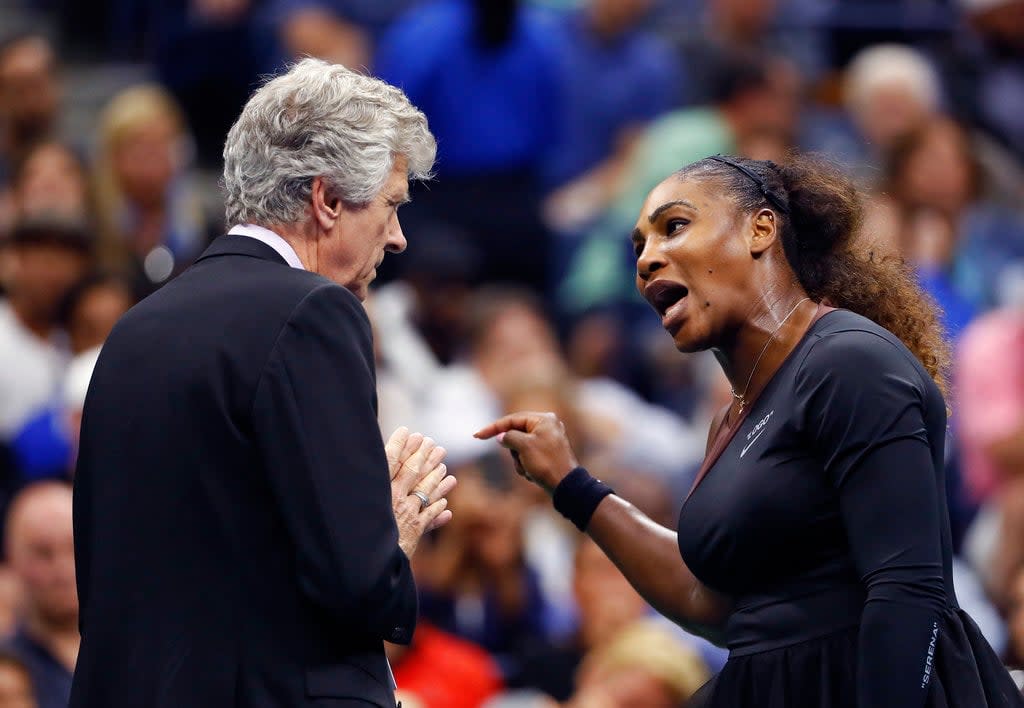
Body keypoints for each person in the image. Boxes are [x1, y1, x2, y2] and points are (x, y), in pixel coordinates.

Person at [477, 154, 1024, 707]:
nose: (646, 260)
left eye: (674, 226)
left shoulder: (848, 361)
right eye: (638, 245)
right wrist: (570, 484)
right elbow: (710, 603)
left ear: (761, 229)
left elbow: (907, 589)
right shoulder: (730, 419)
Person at [71, 58, 456, 708]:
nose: (397, 238)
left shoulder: (135, 329)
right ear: (327, 199)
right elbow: (357, 585)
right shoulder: (316, 312)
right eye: (390, 206)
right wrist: (389, 528)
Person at [3, 483, 77, 708]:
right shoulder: (8, 673)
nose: (62, 569)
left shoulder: (133, 655)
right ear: (13, 559)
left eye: (74, 549)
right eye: (43, 553)